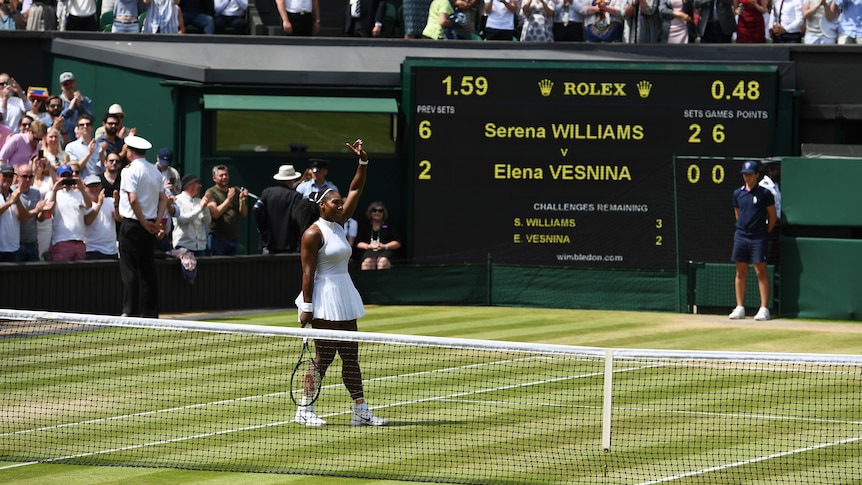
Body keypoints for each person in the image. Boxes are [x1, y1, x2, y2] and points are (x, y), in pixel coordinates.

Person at [293, 138, 388, 427]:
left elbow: (356, 188)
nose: (341, 205)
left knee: (351, 355)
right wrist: (307, 307)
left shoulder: (340, 221)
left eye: (340, 202)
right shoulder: (312, 234)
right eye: (336, 202)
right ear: (322, 207)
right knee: (324, 357)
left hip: (344, 292)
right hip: (323, 297)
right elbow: (307, 273)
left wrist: (363, 161)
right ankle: (304, 409)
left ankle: (360, 410)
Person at [118, 135, 168, 318]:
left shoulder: (129, 170)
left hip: (133, 224)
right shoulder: (155, 171)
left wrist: (144, 222)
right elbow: (164, 199)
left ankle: (129, 312)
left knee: (129, 269)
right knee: (148, 269)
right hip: (149, 225)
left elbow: (132, 199)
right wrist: (155, 222)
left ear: (130, 152)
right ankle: (150, 313)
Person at [729, 160, 777, 322]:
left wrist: (765, 231)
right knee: (740, 271)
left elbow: (772, 216)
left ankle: (764, 309)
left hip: (759, 237)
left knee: (760, 271)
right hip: (741, 236)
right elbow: (738, 213)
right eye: (745, 174)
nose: (747, 177)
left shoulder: (765, 194)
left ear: (757, 175)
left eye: (750, 174)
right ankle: (740, 307)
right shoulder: (737, 194)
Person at [253, 164, 305, 254]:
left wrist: (263, 230)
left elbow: (256, 208)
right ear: (292, 180)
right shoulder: (296, 196)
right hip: (289, 245)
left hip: (268, 244)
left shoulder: (267, 192)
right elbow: (295, 218)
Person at [47, 163, 92, 261]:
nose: (66, 179)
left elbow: (89, 205)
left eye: (68, 176)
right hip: (61, 240)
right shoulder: (52, 194)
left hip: (79, 240)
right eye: (63, 176)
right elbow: (49, 210)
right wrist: (55, 190)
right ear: (57, 177)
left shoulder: (79, 194)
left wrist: (82, 189)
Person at [172, 173, 210, 283]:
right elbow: (182, 220)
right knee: (185, 280)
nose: (200, 186)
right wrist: (200, 208)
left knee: (201, 282)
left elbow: (207, 221)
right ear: (191, 185)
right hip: (185, 247)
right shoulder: (177, 200)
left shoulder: (199, 201)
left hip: (200, 247)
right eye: (198, 183)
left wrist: (205, 207)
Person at [205, 164, 248, 255]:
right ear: (214, 179)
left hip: (233, 238)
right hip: (217, 239)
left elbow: (244, 213)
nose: (224, 177)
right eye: (221, 175)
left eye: (226, 175)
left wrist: (242, 200)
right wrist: (228, 199)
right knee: (218, 267)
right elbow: (215, 214)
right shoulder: (211, 192)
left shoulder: (234, 191)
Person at [82, 174, 121, 260]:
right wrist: (99, 204)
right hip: (92, 250)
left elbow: (118, 218)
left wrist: (116, 204)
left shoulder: (110, 201)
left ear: (101, 186)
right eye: (91, 186)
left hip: (111, 250)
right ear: (85, 188)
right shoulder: (84, 204)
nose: (94, 188)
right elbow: (88, 221)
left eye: (96, 185)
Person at [355, 201, 402, 270]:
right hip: (369, 250)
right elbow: (358, 243)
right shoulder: (364, 226)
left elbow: (398, 242)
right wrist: (368, 246)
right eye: (374, 210)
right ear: (370, 212)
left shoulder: (390, 225)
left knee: (383, 261)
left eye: (380, 211)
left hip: (386, 251)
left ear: (384, 213)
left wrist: (385, 246)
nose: (377, 213)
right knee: (368, 261)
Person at [14, 162, 46, 262]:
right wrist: (37, 210)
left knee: (33, 276)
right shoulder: (12, 192)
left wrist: (43, 210)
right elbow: (21, 216)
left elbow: (40, 219)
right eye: (24, 176)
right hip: (17, 242)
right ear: (18, 177)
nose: (28, 180)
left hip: (32, 242)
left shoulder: (36, 192)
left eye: (31, 176)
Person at [57, 72, 94, 138]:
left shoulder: (86, 100)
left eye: (70, 83)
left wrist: (80, 106)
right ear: (61, 86)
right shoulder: (57, 101)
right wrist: (69, 109)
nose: (69, 86)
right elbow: (57, 120)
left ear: (75, 83)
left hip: (81, 138)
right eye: (65, 84)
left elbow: (91, 119)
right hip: (63, 137)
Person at [0, 164, 24, 262]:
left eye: (11, 176)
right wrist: (10, 202)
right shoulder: (13, 197)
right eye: (5, 175)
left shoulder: (14, 194)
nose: (8, 178)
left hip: (14, 249)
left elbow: (23, 217)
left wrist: (17, 200)